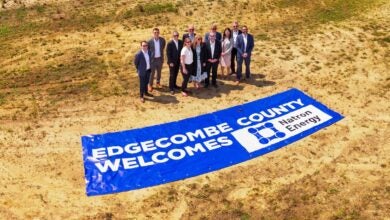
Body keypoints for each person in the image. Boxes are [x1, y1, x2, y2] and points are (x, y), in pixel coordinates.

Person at [148, 27, 166, 91]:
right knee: (152, 73)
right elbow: (148, 51)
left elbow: (163, 47)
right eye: (155, 32)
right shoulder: (149, 41)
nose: (156, 33)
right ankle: (150, 85)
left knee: (159, 72)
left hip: (159, 59)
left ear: (159, 33)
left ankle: (158, 83)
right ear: (153, 33)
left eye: (157, 32)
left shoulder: (162, 40)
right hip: (153, 60)